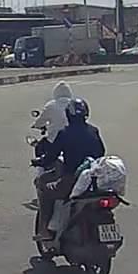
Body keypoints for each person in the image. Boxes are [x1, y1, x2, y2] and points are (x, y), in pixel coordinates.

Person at [34, 98, 105, 241]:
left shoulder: (64, 133)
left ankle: (44, 230)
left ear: (68, 114)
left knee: (43, 185)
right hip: (93, 180)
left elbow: (51, 156)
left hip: (71, 180)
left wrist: (39, 161)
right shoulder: (93, 131)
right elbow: (101, 152)